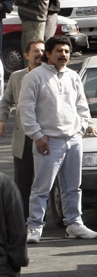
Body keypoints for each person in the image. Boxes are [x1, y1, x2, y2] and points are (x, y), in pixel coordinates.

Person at [19, 36, 97, 244]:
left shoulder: (73, 76)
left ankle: (74, 224)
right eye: (59, 51)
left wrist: (82, 126)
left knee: (73, 186)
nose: (63, 55)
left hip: (73, 139)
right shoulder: (34, 77)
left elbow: (81, 105)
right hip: (49, 141)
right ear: (48, 54)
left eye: (66, 51)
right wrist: (37, 136)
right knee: (42, 188)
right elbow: (25, 109)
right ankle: (35, 226)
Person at [0, 41, 43, 216]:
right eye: (35, 51)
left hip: (47, 135)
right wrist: (2, 119)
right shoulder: (17, 77)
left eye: (42, 50)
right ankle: (22, 217)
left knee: (47, 180)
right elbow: (6, 100)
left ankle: (53, 217)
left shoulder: (52, 75)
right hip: (24, 137)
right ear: (26, 55)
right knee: (23, 181)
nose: (40, 53)